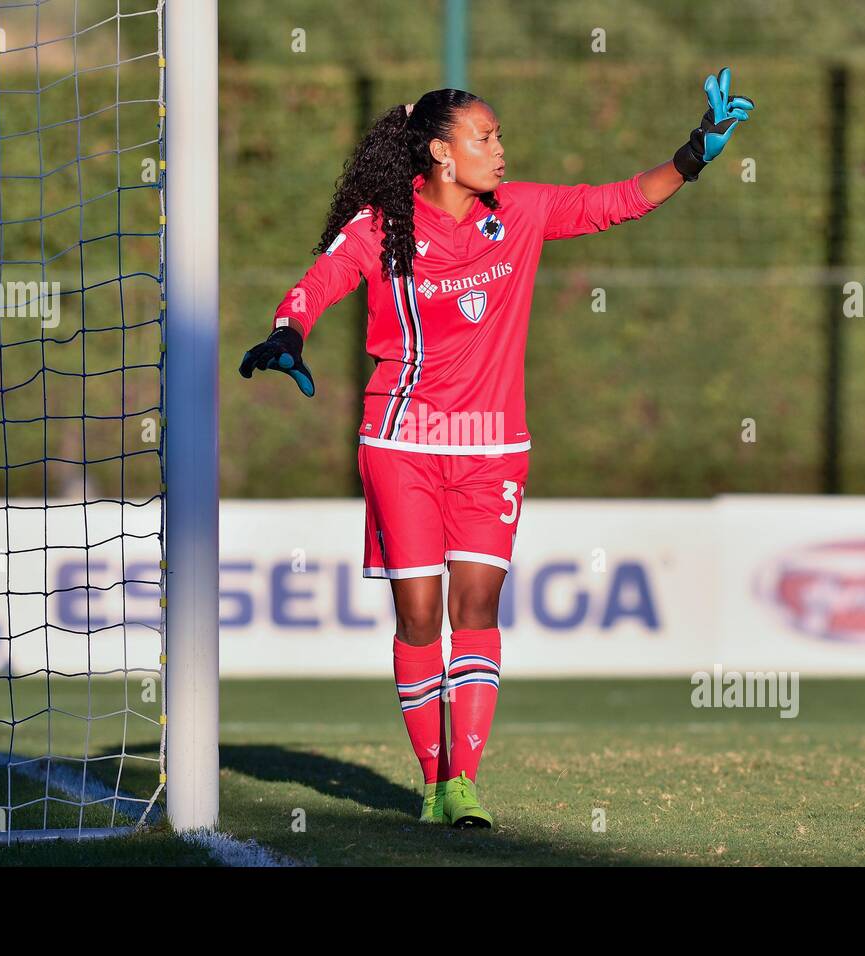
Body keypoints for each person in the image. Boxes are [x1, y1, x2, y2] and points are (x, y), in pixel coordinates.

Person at [240, 70, 754, 828]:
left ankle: (462, 785)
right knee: (419, 618)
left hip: (492, 448)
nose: (501, 150)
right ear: (443, 154)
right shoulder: (384, 226)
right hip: (402, 443)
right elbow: (320, 281)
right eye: (486, 138)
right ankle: (431, 777)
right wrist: (288, 332)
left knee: (476, 603)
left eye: (500, 135)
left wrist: (691, 155)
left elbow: (613, 202)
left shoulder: (520, 210)